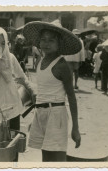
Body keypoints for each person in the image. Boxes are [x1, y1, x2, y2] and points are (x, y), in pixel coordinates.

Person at [23, 20, 81, 162]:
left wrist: (75, 128)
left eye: (51, 40)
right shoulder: (40, 61)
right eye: (43, 40)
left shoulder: (62, 66)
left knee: (57, 158)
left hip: (56, 115)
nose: (46, 44)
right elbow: (42, 92)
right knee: (46, 158)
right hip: (42, 114)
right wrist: (36, 116)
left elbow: (72, 98)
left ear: (59, 44)